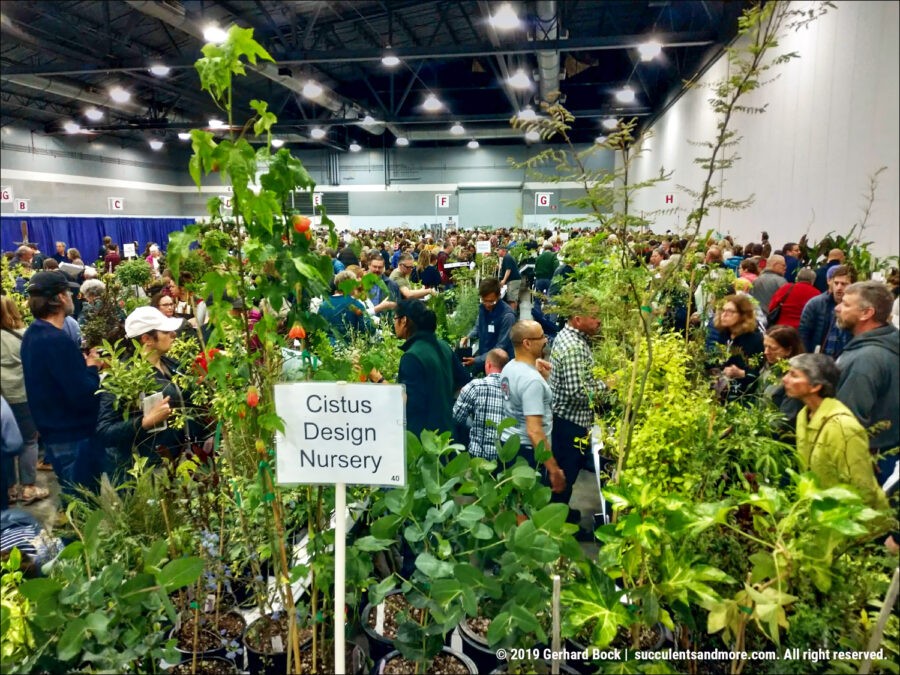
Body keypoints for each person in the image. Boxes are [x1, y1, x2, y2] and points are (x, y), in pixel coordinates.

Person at [96, 306, 206, 475]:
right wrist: (144, 422)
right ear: (147, 338)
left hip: (185, 457)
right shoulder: (122, 377)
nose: (173, 334)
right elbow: (105, 432)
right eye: (166, 332)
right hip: (153, 468)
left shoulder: (170, 363)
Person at [20, 271, 103, 494]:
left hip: (54, 433)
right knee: (84, 504)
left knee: (74, 497)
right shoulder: (56, 340)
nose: (72, 296)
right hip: (73, 436)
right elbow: (83, 394)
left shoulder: (33, 334)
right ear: (60, 298)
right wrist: (93, 367)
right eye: (68, 291)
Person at [782, 353, 889, 511]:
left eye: (793, 375)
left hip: (850, 520)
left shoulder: (842, 426)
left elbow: (862, 489)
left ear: (815, 386)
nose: (785, 379)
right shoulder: (804, 415)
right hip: (822, 512)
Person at [369, 300, 469, 438]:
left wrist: (378, 379)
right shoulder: (444, 346)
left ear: (404, 321)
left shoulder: (412, 357)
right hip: (447, 436)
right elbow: (464, 382)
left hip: (423, 441)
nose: (394, 323)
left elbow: (406, 403)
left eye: (395, 318)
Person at [834, 281, 900, 486]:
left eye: (845, 304)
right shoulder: (889, 341)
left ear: (866, 313)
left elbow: (849, 420)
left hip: (868, 461)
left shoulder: (866, 359)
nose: (837, 307)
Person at [549, 304, 607, 519]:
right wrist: (608, 385)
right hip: (571, 425)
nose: (598, 321)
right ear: (577, 319)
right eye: (594, 316)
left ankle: (560, 512)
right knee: (565, 474)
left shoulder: (568, 337)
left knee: (564, 473)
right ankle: (558, 522)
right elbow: (578, 392)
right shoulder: (574, 347)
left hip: (564, 420)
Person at [498, 320, 566, 493]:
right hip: (527, 452)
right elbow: (534, 431)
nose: (546, 340)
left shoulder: (509, 368)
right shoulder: (531, 381)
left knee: (514, 501)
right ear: (527, 343)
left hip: (509, 445)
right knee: (525, 508)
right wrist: (553, 469)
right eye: (541, 337)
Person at [0, 297, 49, 505]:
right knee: (29, 441)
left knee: (5, 443)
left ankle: (9, 488)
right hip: (24, 395)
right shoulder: (25, 335)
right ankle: (28, 488)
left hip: (2, 398)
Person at [452, 348, 509, 460]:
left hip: (480, 459)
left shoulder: (475, 386)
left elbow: (456, 418)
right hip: (506, 458)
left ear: (488, 365)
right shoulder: (515, 388)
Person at [711, 294, 765, 402]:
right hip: (721, 391)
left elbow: (758, 375)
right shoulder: (725, 333)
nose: (724, 315)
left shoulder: (755, 339)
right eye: (723, 310)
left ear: (743, 315)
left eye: (730, 311)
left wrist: (741, 373)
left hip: (743, 396)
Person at [461, 278, 516, 374]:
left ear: (499, 296)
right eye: (484, 301)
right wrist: (468, 337)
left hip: (501, 365)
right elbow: (478, 327)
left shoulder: (507, 316)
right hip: (486, 359)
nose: (487, 305)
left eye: (491, 301)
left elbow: (500, 347)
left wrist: (477, 360)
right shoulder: (483, 309)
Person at [798, 264, 854, 357]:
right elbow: (803, 334)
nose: (839, 287)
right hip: (820, 359)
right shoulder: (816, 304)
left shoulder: (856, 308)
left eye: (844, 284)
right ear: (830, 282)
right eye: (836, 283)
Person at [759, 325, 805, 436]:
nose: (766, 352)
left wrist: (755, 429)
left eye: (772, 348)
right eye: (765, 346)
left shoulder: (795, 380)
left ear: (788, 350)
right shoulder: (769, 370)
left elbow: (785, 420)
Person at [318, 269, 374, 342]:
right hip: (349, 348)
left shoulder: (323, 305)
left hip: (327, 348)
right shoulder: (356, 304)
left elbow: (318, 330)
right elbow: (366, 329)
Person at [365, 251, 400, 317]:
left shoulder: (392, 285)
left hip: (384, 323)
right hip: (365, 322)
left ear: (383, 267)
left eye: (380, 267)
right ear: (369, 266)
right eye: (374, 267)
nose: (377, 270)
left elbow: (398, 306)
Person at [497, 244, 522, 313]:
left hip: (513, 281)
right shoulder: (507, 257)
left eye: (498, 250)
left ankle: (512, 314)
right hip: (514, 280)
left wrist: (503, 280)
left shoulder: (507, 257)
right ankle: (513, 313)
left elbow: (508, 270)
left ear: (503, 250)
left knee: (511, 299)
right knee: (513, 298)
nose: (497, 252)